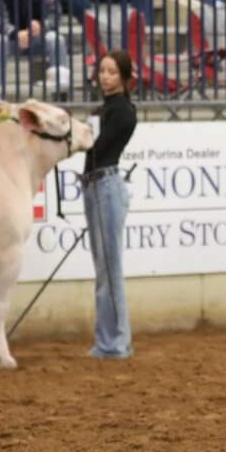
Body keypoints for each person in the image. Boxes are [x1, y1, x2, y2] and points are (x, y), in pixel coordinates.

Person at [83, 49, 138, 360]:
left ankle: (115, 342)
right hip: (94, 186)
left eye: (112, 72)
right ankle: (108, 340)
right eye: (102, 71)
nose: (105, 77)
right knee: (102, 267)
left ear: (124, 77)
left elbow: (96, 146)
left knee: (109, 268)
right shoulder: (102, 110)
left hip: (106, 186)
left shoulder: (123, 112)